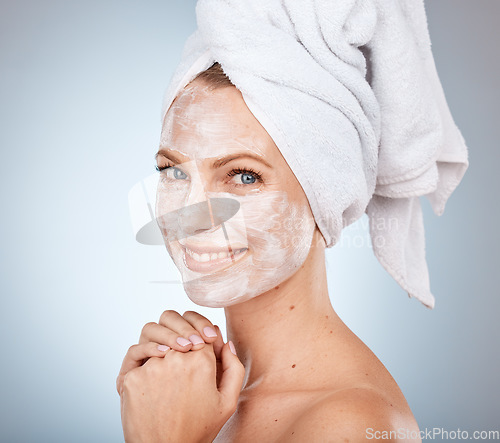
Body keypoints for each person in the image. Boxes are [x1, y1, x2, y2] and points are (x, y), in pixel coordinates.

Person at [116, 63, 422, 442]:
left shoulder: (348, 426)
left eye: (244, 176)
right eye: (174, 172)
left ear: (324, 196)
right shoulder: (195, 395)